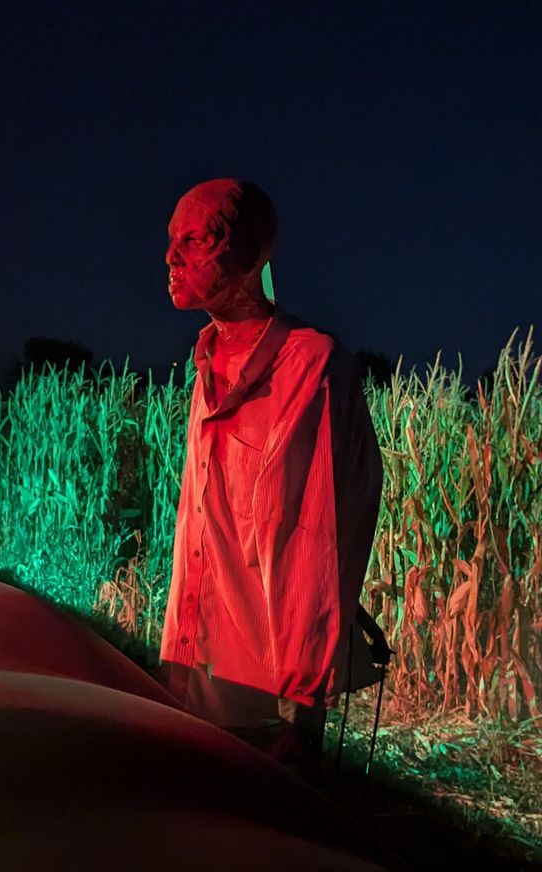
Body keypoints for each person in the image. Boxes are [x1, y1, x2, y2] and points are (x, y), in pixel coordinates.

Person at [155, 179, 385, 774]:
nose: (170, 259)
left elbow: (319, 535)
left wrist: (301, 709)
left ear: (252, 255)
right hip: (191, 661)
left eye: (194, 241)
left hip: (259, 691)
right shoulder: (206, 359)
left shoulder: (311, 366)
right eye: (171, 241)